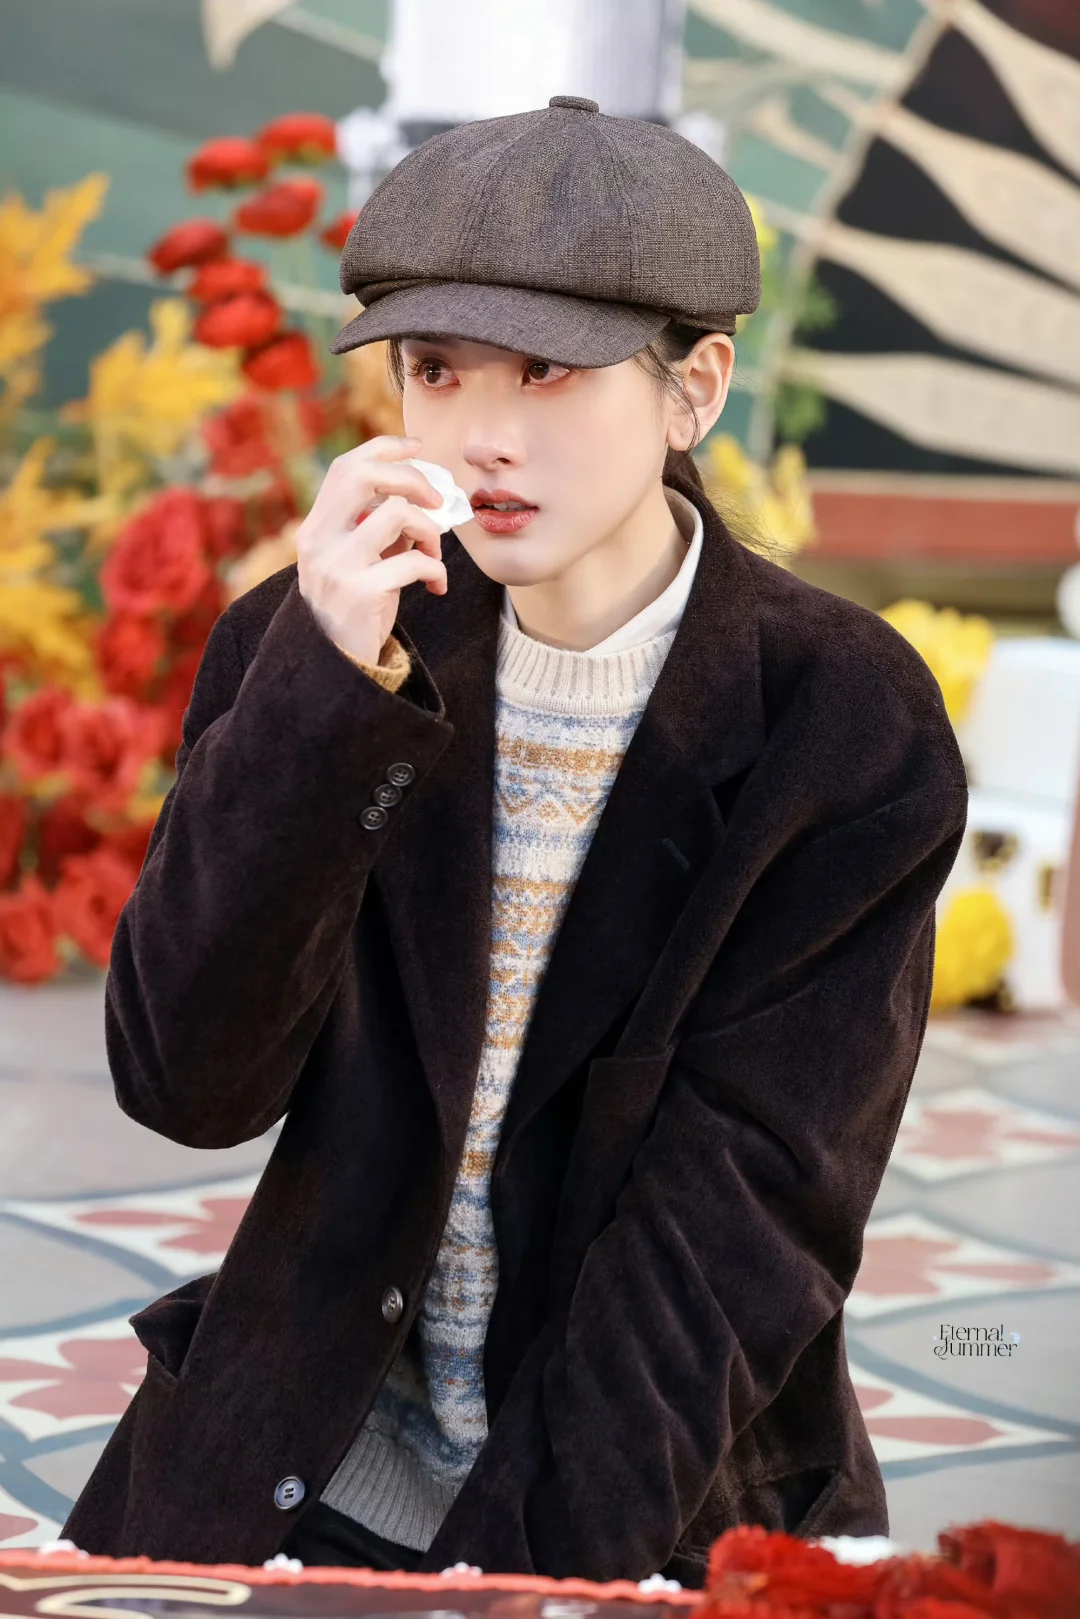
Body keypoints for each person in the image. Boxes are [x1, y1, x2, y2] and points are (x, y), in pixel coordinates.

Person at [63, 96, 968, 1583]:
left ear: (694, 390)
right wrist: (320, 702)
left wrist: (509, 1586)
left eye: (549, 369)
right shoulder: (320, 649)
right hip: (298, 1454)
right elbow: (187, 1084)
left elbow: (738, 1229)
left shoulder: (842, 720)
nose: (482, 434)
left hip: (647, 1498)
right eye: (435, 368)